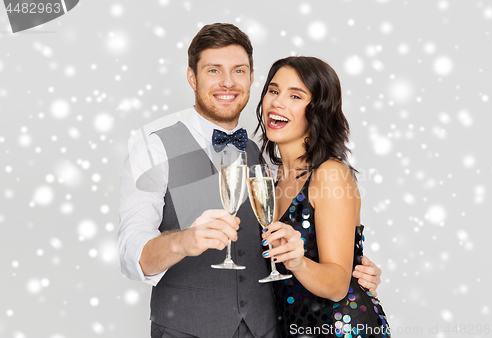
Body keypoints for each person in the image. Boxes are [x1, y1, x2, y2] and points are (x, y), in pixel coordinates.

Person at [117, 23, 383, 338]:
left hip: (276, 328)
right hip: (186, 329)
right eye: (214, 70)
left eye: (238, 71)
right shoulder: (154, 146)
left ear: (251, 78)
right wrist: (182, 241)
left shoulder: (262, 156)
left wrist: (352, 270)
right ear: (192, 76)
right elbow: (129, 252)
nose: (227, 82)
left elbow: (320, 250)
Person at [255, 56, 390, 337]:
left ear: (318, 110)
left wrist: (298, 262)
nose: (278, 102)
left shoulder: (330, 174)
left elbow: (338, 284)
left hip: (342, 328)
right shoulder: (272, 178)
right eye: (273, 90)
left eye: (295, 95)